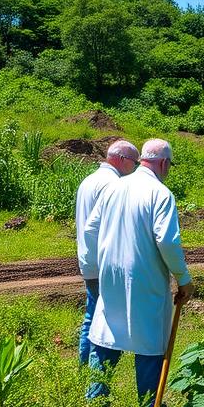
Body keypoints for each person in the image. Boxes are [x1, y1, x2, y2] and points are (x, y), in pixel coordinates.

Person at [79, 138, 194, 407]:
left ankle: (95, 403)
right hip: (145, 278)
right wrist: (183, 278)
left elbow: (91, 227)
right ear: (164, 163)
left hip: (111, 274)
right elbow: (167, 241)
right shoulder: (160, 193)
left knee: (107, 331)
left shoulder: (115, 187)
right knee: (150, 338)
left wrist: (103, 258)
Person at [75, 139, 140, 365]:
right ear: (122, 160)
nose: (136, 168)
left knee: (91, 312)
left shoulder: (89, 180)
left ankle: (84, 365)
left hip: (87, 258)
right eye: (135, 162)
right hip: (103, 262)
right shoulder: (112, 185)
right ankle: (93, 367)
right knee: (101, 319)